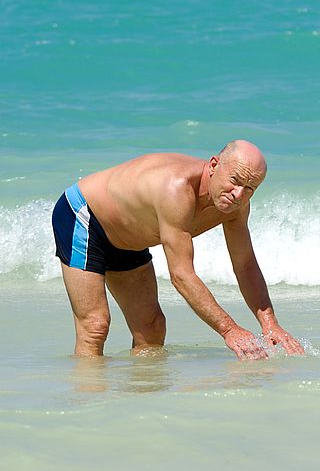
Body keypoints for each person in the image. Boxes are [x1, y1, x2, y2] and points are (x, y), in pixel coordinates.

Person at [52, 139, 304, 360]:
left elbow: (245, 264)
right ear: (214, 165)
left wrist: (270, 325)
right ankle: (87, 406)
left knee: (151, 327)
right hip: (85, 216)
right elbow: (181, 276)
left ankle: (139, 405)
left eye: (249, 188)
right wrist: (230, 330)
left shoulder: (236, 206)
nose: (238, 194)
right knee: (95, 326)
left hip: (130, 237)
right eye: (235, 181)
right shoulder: (176, 189)